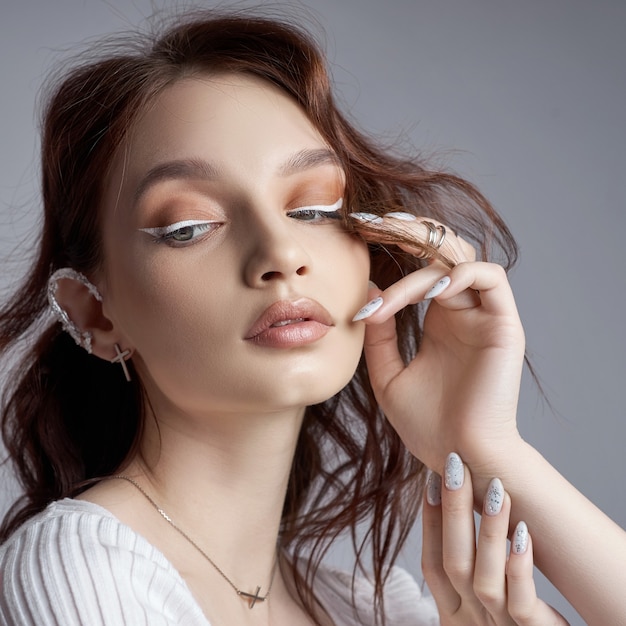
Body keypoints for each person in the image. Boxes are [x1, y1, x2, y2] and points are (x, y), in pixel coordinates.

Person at [0, 9, 623, 626]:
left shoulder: (371, 606)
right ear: (97, 313)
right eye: (188, 227)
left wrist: (488, 447)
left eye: (317, 211)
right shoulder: (78, 567)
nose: (282, 255)